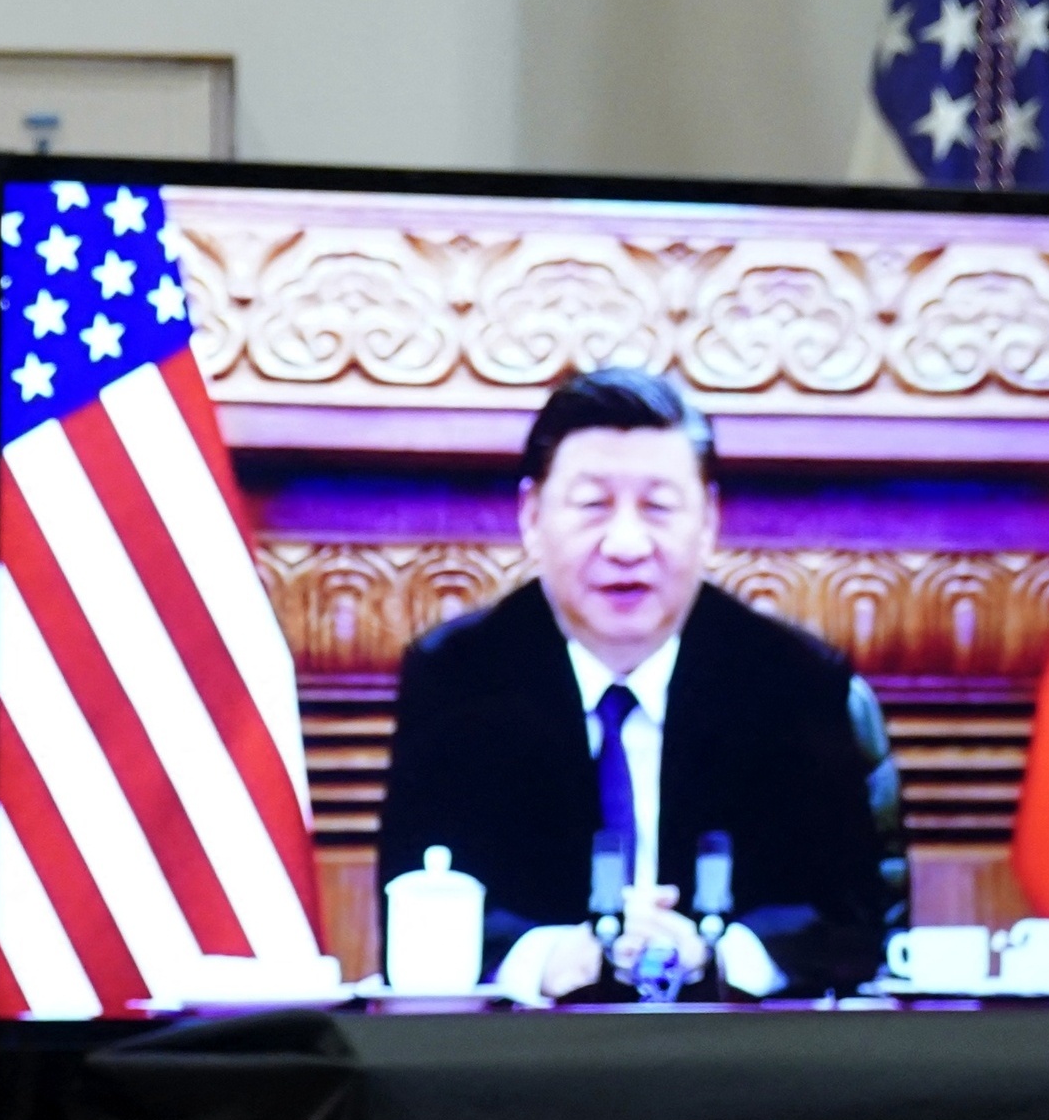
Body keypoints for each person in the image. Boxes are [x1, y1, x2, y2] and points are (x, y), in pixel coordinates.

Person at [373, 369, 887, 1000]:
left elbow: (849, 920)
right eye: (592, 506)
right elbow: (418, 903)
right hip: (527, 1061)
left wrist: (715, 954)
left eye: (658, 508)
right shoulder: (460, 678)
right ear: (532, 518)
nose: (625, 544)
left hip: (743, 1062)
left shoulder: (791, 680)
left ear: (709, 522)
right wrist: (550, 956)